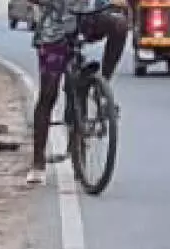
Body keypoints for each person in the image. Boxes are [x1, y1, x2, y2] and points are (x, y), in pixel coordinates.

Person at [27, 0, 129, 186]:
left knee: (119, 25)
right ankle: (38, 162)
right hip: (55, 27)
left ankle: (102, 85)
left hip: (86, 19)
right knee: (48, 94)